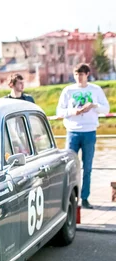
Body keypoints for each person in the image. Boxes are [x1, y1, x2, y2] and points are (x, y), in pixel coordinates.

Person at [56, 63, 110, 209]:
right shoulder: (68, 90)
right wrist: (72, 112)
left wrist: (94, 106)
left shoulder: (95, 90)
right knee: (70, 167)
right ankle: (69, 198)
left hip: (89, 132)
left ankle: (85, 198)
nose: (78, 77)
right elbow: (59, 111)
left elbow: (106, 109)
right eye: (76, 74)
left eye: (81, 74)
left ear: (87, 75)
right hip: (72, 132)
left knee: (88, 167)